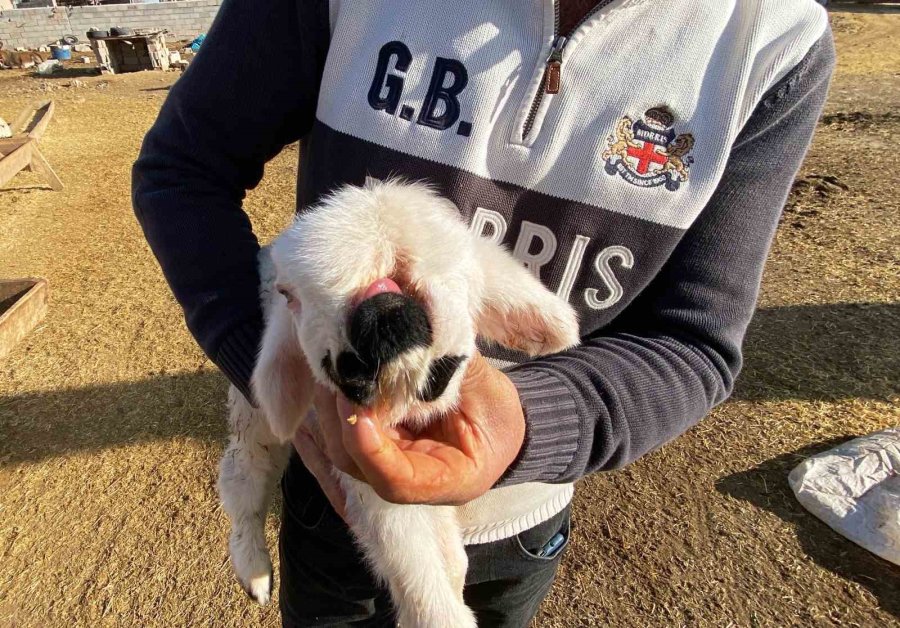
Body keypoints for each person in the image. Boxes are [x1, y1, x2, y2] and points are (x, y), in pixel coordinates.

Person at [132, 0, 835, 625]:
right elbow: (184, 166)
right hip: (339, 472)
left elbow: (692, 340)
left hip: (524, 509)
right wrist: (293, 366)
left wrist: (531, 420)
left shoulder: (773, 39)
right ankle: (244, 527)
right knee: (265, 462)